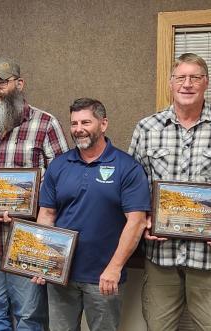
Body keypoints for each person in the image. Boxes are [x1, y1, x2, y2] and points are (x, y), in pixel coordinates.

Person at [129, 53, 211, 330]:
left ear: (206, 83)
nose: (187, 84)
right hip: (161, 258)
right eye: (181, 77)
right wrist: (144, 220)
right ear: (170, 83)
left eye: (195, 77)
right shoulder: (147, 128)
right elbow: (133, 185)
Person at [0, 57, 68, 330]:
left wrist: (26, 206)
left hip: (27, 240)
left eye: (2, 82)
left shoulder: (45, 124)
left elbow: (62, 181)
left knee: (30, 318)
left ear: (19, 83)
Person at [33, 98, 150, 331]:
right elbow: (47, 214)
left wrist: (115, 267)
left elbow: (136, 223)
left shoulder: (127, 167)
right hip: (61, 275)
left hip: (103, 276)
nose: (78, 129)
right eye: (74, 123)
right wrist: (41, 261)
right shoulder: (59, 165)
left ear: (103, 124)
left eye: (85, 122)